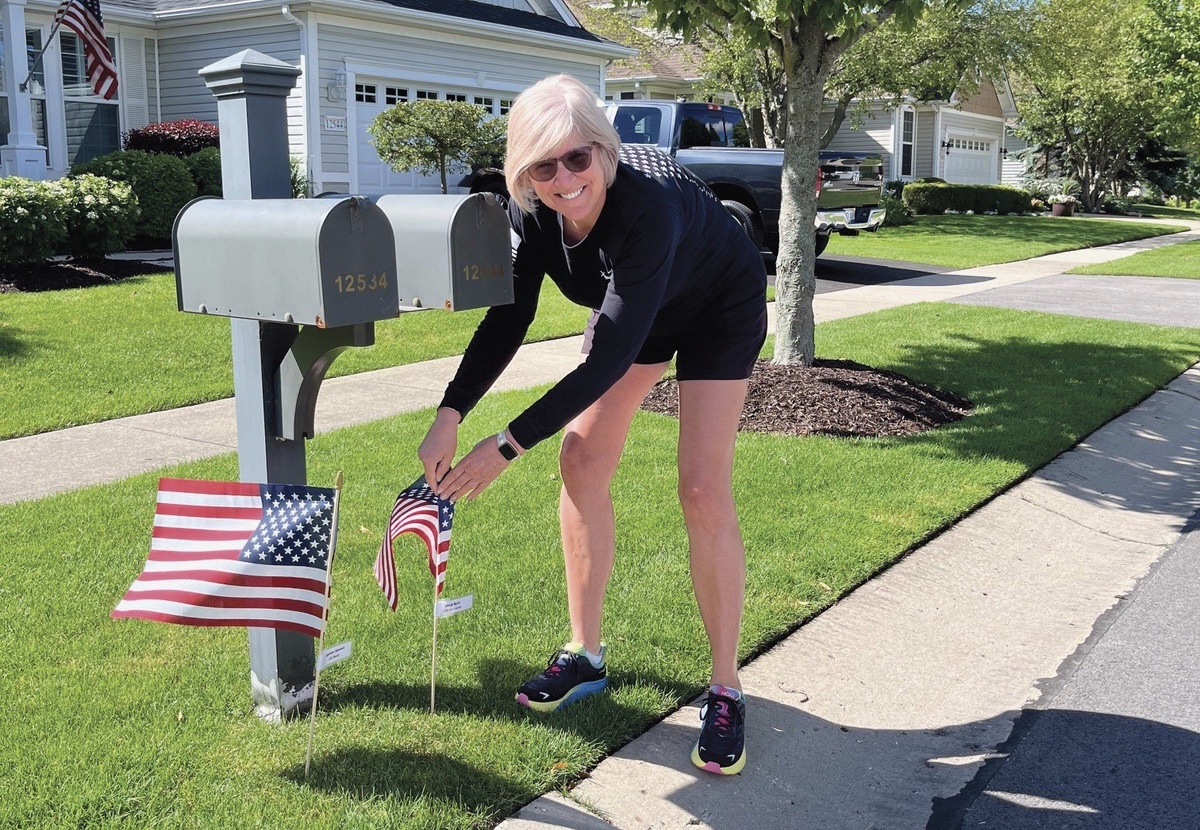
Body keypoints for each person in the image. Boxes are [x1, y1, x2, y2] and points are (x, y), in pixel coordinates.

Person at [417, 74, 766, 776]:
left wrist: (506, 445)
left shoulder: (648, 210)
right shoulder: (536, 213)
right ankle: (585, 653)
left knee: (701, 489)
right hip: (638, 308)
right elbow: (509, 315)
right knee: (580, 460)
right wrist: (451, 413)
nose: (565, 178)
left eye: (578, 158)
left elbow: (607, 357)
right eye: (542, 166)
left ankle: (726, 687)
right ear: (523, 173)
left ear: (605, 152)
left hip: (718, 304)